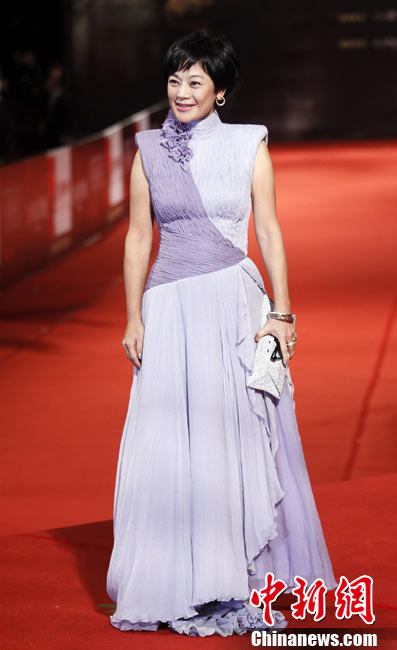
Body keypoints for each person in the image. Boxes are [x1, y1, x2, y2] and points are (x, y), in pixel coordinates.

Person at [106, 29, 337, 637]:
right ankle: (176, 580)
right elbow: (136, 238)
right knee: (172, 443)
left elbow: (269, 231)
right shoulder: (148, 149)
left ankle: (237, 577)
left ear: (222, 90)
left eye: (196, 81)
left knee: (231, 439)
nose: (182, 91)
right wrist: (133, 315)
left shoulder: (248, 145)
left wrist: (281, 312)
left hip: (233, 306)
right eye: (175, 79)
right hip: (170, 309)